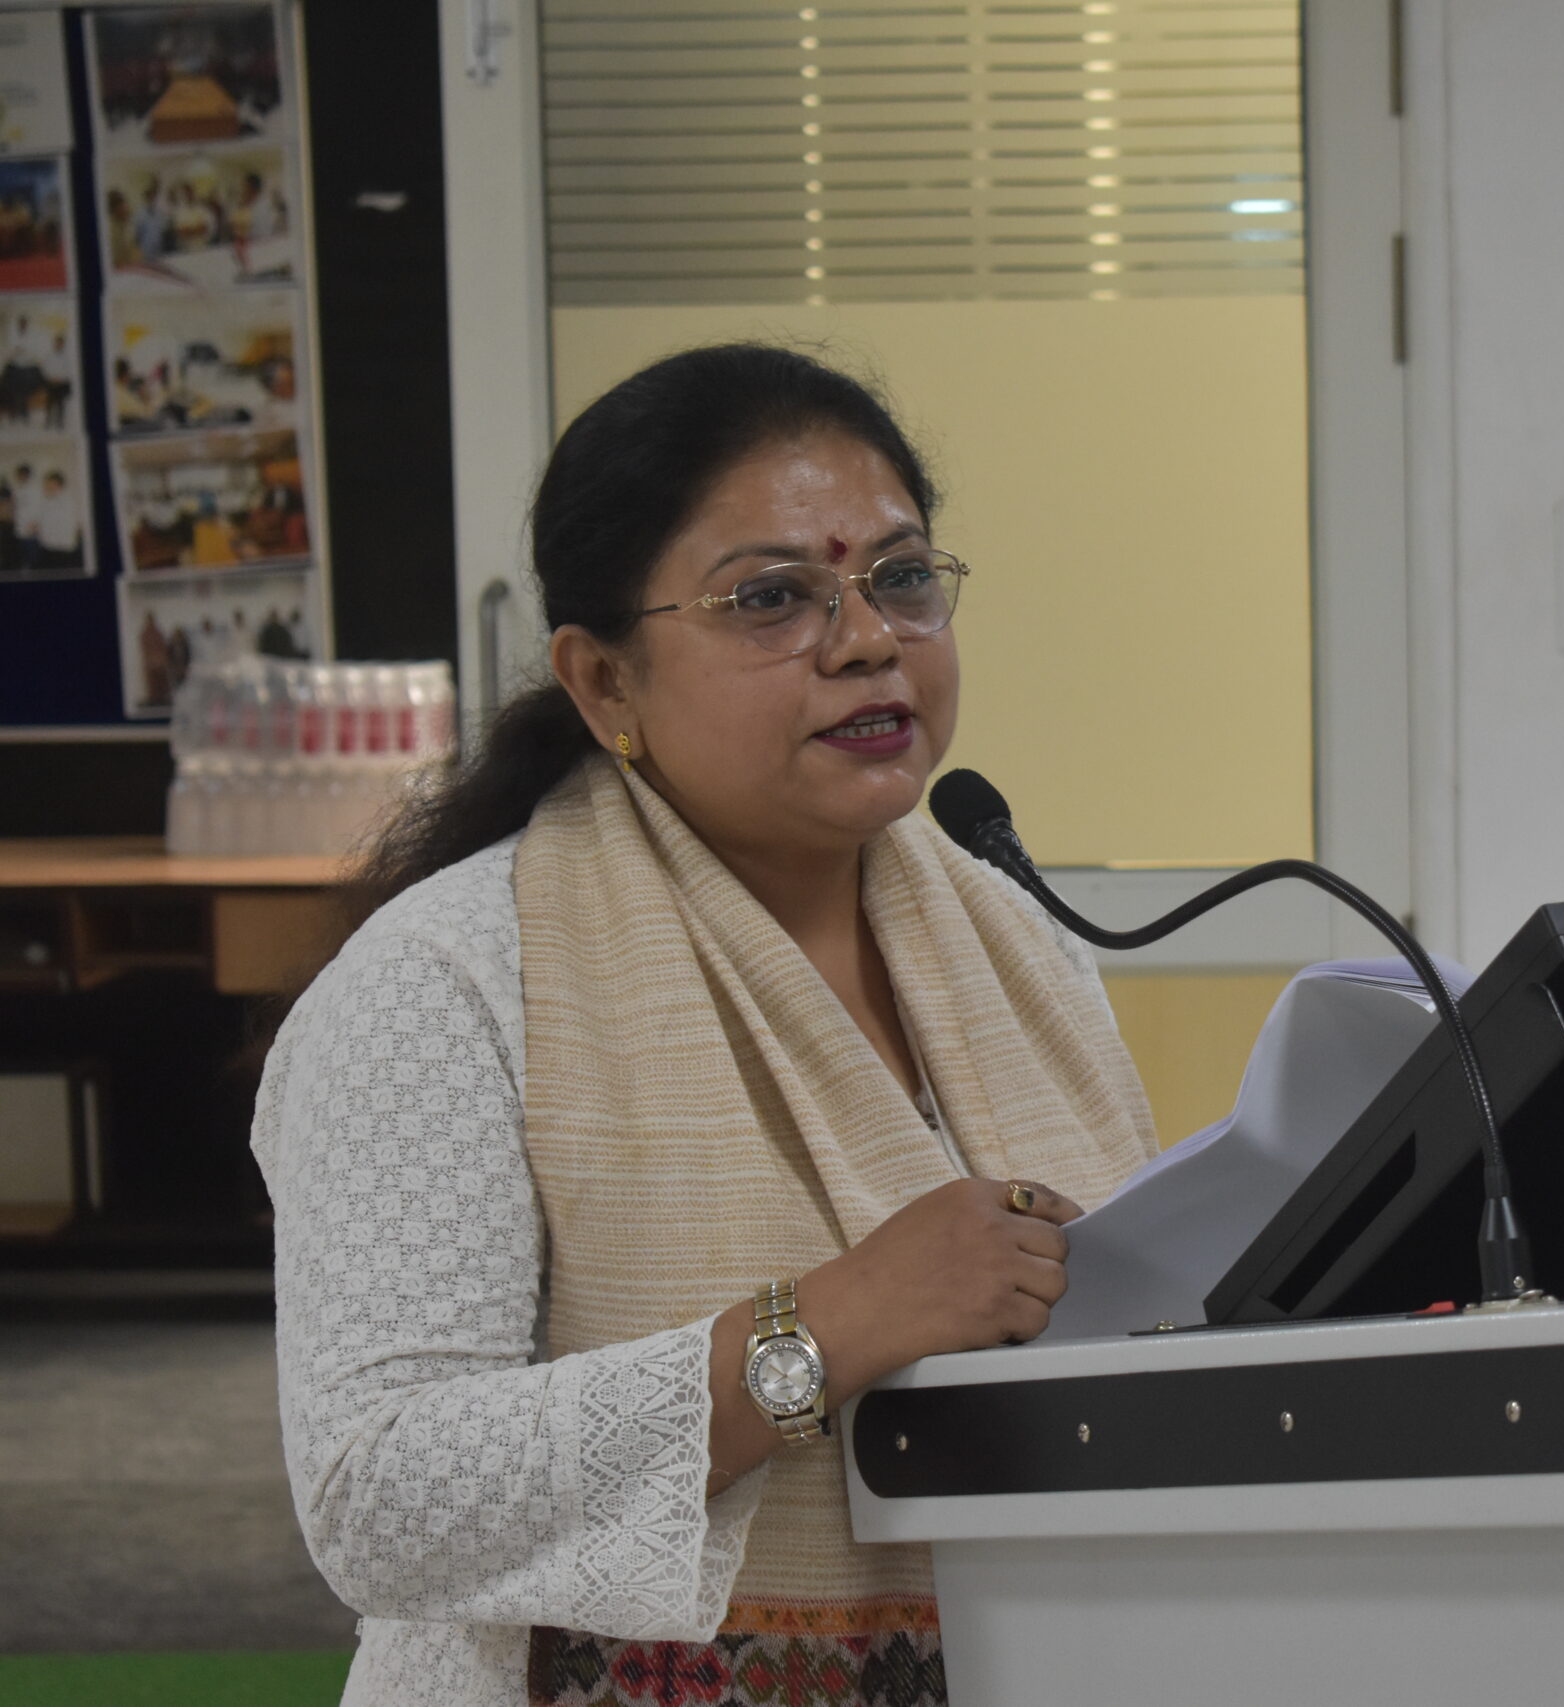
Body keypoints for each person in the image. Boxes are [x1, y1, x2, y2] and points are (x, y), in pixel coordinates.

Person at [252, 343, 1156, 1707]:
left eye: (903, 577)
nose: (869, 639)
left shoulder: (1018, 946)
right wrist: (828, 1327)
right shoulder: (445, 983)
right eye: (772, 598)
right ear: (605, 683)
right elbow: (379, 1497)